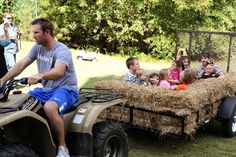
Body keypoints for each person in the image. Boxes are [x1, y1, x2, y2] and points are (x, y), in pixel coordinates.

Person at [0, 18, 78, 157]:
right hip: (45, 90)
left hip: (66, 89)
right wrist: (3, 79)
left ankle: (62, 147)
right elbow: (21, 64)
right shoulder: (38, 47)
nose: (33, 36)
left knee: (49, 107)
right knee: (20, 104)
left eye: (36, 32)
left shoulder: (62, 50)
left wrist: (39, 75)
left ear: (47, 32)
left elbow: (59, 71)